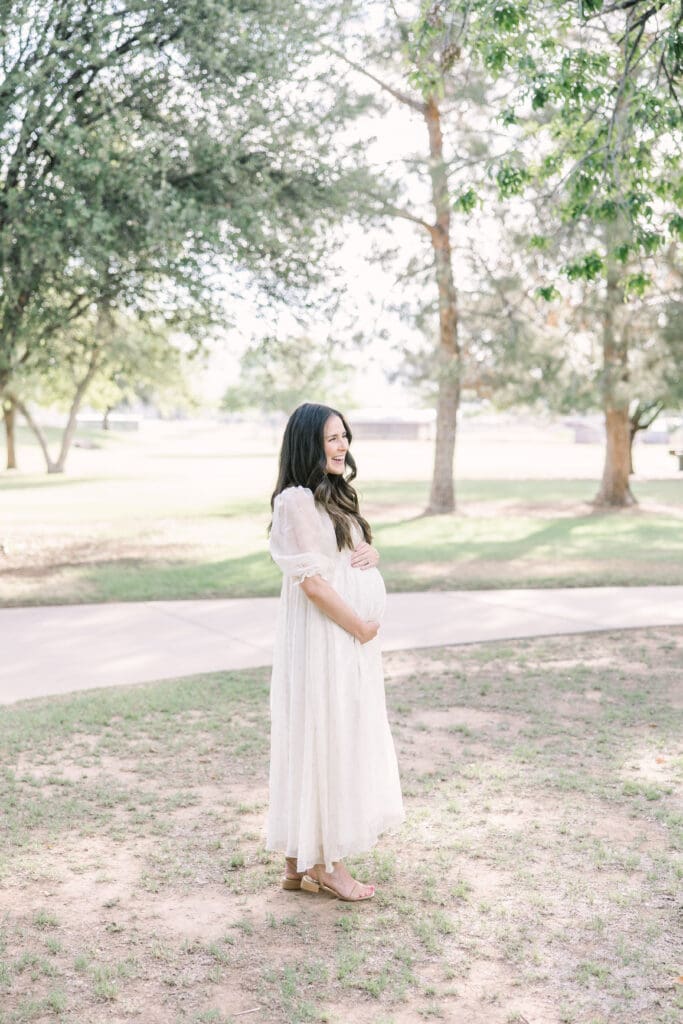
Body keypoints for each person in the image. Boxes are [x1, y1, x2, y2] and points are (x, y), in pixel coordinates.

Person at [266, 402, 404, 902]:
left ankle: (296, 861)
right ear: (309, 443)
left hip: (340, 639)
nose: (342, 445)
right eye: (332, 437)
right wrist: (360, 627)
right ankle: (327, 865)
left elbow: (341, 558)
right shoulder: (296, 500)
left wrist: (371, 552)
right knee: (325, 740)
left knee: (321, 737)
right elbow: (314, 584)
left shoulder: (328, 495)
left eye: (345, 436)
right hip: (325, 638)